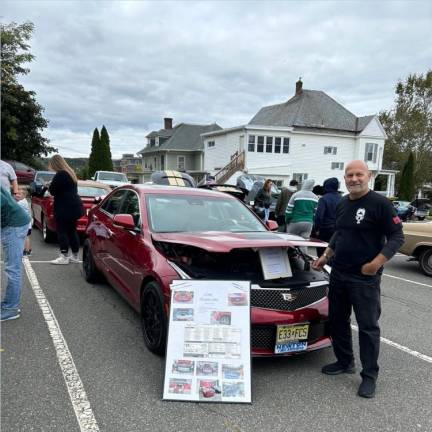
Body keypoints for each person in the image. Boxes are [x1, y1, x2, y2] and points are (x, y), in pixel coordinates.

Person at [312, 160, 404, 399]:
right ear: (345, 178)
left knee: (367, 327)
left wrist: (376, 263)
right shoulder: (343, 203)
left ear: (369, 176)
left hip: (364, 279)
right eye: (349, 175)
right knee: (337, 320)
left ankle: (369, 376)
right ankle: (345, 362)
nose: (354, 179)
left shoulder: (380, 204)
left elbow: (397, 236)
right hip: (339, 274)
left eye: (359, 174)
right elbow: (339, 234)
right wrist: (325, 256)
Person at [46, 154, 84, 265]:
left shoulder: (60, 174)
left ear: (55, 164)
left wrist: (48, 186)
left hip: (64, 207)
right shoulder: (70, 173)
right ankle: (75, 256)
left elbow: (52, 191)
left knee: (62, 231)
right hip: (74, 206)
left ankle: (64, 256)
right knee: (72, 231)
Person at [1, 185, 31, 321]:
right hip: (13, 222)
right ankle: (8, 304)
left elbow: (2, 202)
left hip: (14, 225)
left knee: (13, 268)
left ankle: (10, 309)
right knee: (12, 267)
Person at [313, 177, 341, 255]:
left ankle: (322, 266)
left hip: (325, 230)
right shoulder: (342, 198)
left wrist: (317, 229)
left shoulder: (324, 199)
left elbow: (319, 216)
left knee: (322, 253)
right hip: (337, 230)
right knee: (333, 253)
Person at [14, 188, 33, 256]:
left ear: (24, 195)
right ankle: (28, 249)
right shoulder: (24, 201)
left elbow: (14, 207)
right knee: (25, 237)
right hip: (27, 223)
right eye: (17, 193)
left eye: (19, 194)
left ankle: (27, 251)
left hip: (26, 223)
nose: (17, 195)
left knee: (25, 237)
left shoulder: (21, 203)